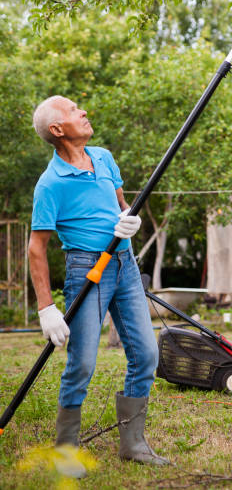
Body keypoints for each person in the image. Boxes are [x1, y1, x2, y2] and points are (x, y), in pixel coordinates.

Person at [28, 95, 168, 473]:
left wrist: (130, 221)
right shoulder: (51, 184)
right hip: (86, 271)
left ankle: (134, 444)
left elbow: (123, 207)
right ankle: (66, 451)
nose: (84, 112)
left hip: (124, 264)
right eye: (74, 110)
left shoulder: (103, 157)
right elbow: (36, 248)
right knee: (83, 363)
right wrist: (46, 308)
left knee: (146, 355)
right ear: (58, 129)